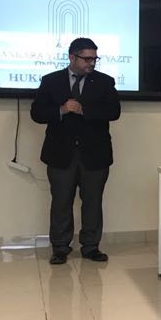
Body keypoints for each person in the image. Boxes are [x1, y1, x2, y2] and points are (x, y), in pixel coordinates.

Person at [31, 37, 121, 265]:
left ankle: (91, 247)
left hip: (95, 154)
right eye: (87, 59)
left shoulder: (104, 82)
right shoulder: (51, 81)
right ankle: (60, 248)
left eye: (95, 59)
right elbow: (37, 113)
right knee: (61, 202)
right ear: (72, 57)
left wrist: (84, 110)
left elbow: (114, 111)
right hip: (60, 153)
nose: (92, 63)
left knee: (93, 202)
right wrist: (62, 109)